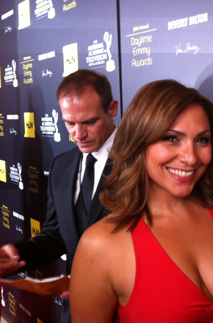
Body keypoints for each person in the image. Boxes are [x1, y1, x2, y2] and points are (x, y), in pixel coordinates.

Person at [70, 80, 213, 323]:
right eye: (171, 138)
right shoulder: (100, 245)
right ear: (139, 142)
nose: (190, 158)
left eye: (202, 140)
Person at [0, 69, 118, 323]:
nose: (78, 134)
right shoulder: (61, 166)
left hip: (128, 310)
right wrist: (19, 253)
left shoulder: (141, 163)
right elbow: (55, 236)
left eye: (89, 122)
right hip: (75, 309)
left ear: (112, 109)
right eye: (70, 123)